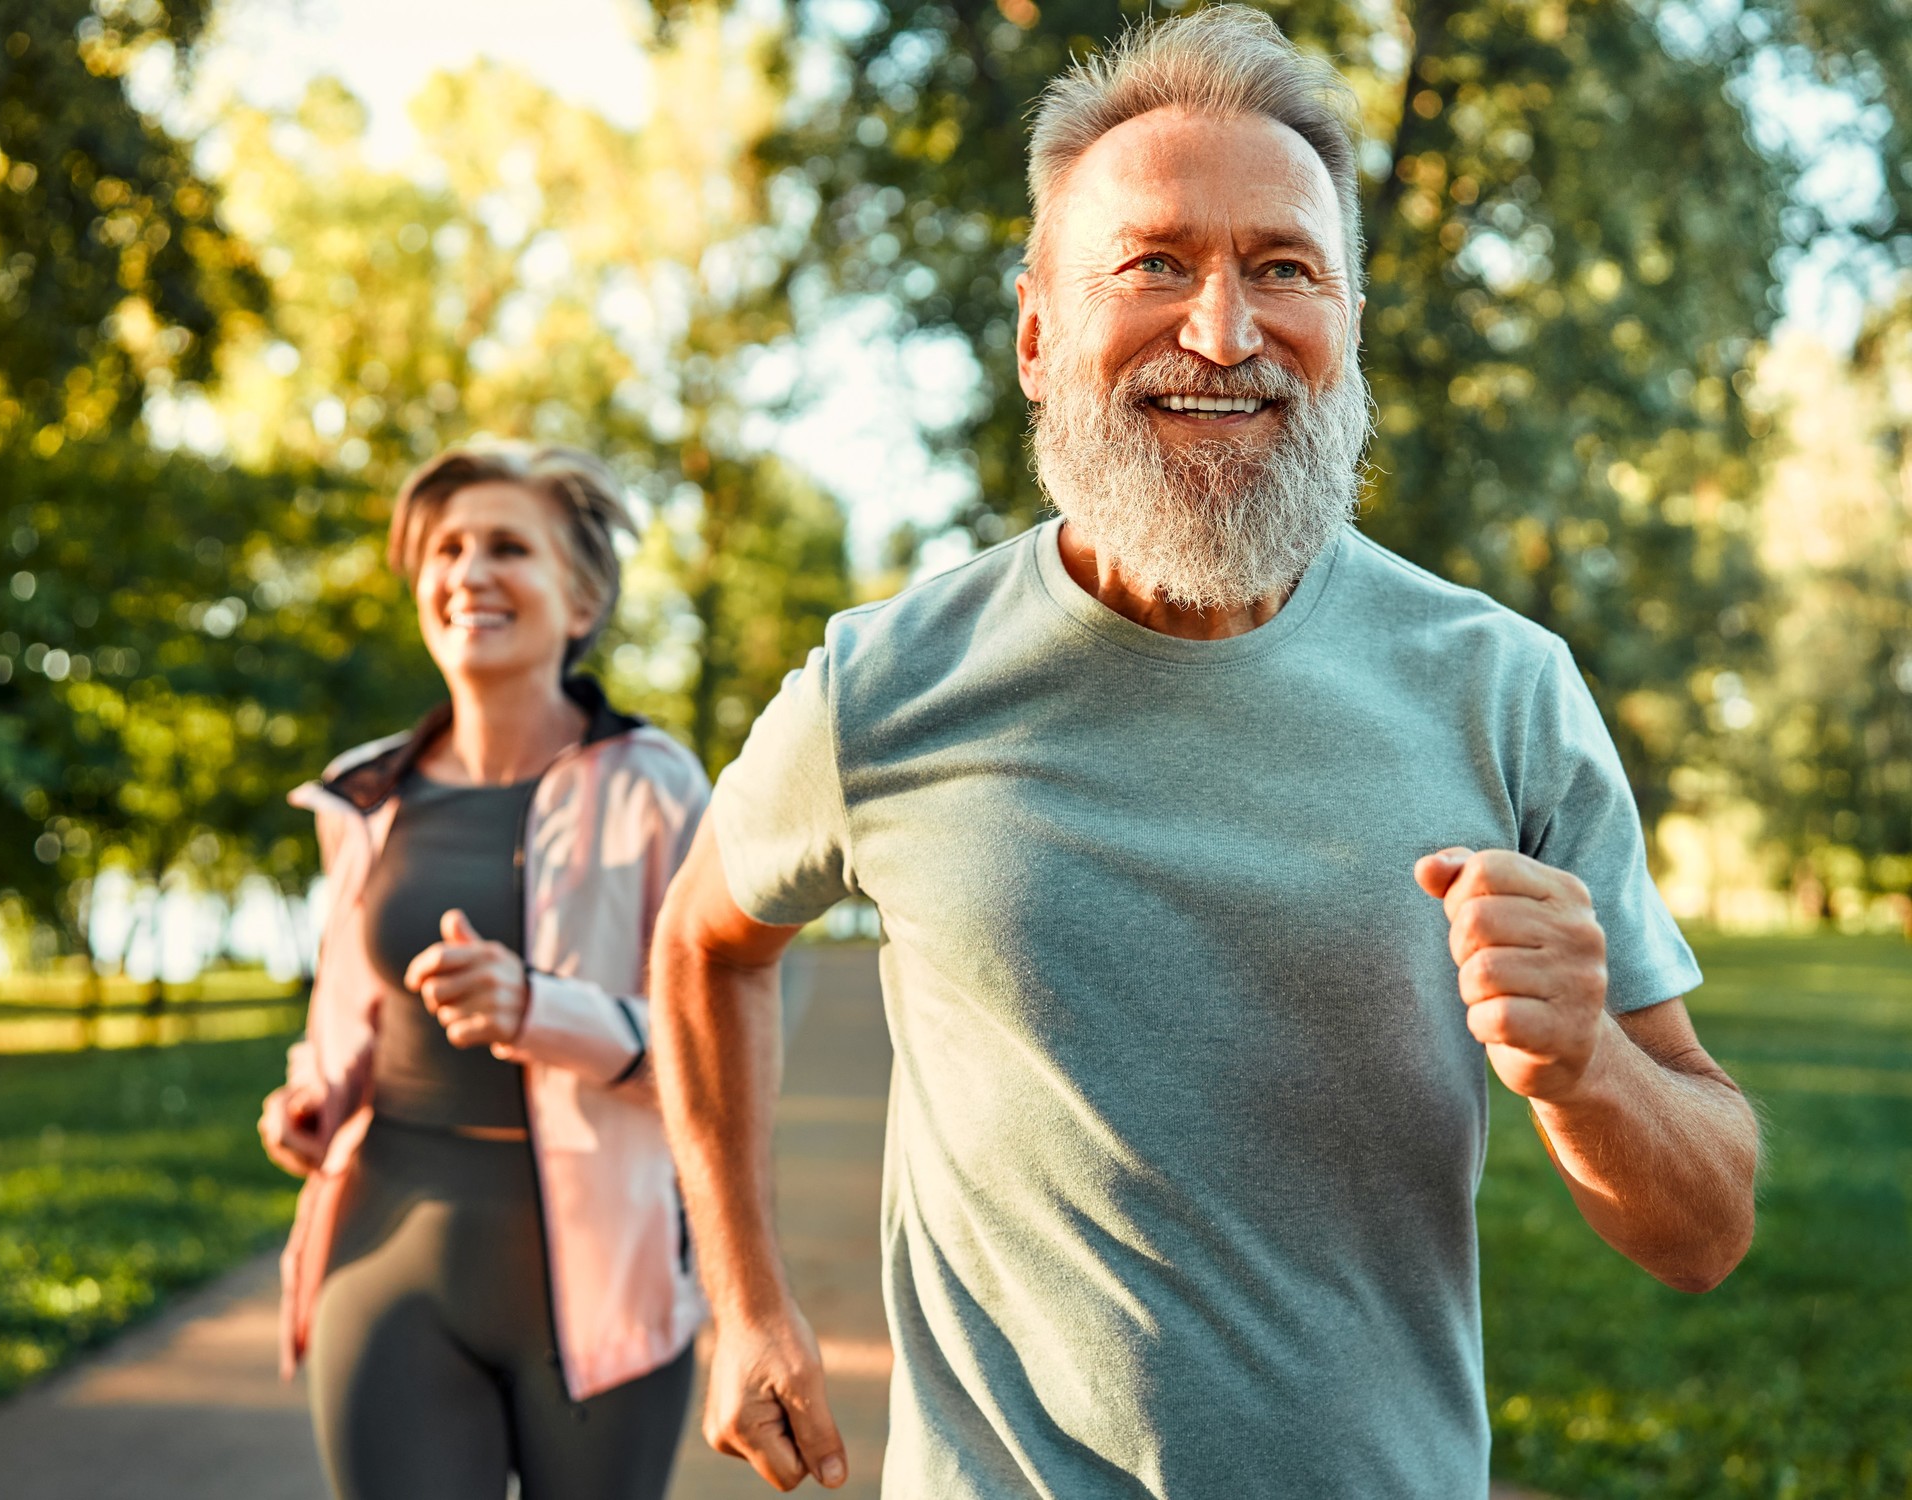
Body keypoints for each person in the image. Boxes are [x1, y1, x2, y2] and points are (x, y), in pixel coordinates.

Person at [648, 8, 1760, 1498]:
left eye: (1283, 267)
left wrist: (1586, 1068)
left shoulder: (1503, 689)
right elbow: (705, 946)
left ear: (1347, 322)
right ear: (1038, 334)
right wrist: (745, 1304)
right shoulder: (887, 685)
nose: (1225, 331)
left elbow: (1704, 1231)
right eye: (1156, 261)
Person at [258, 444, 708, 1500]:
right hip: (385, 1256)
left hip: (601, 1287)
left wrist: (535, 1010)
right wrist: (318, 1096)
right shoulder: (364, 799)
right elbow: (352, 1023)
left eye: (507, 546)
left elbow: (719, 1060)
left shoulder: (657, 787)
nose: (467, 572)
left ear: (582, 593)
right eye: (445, 549)